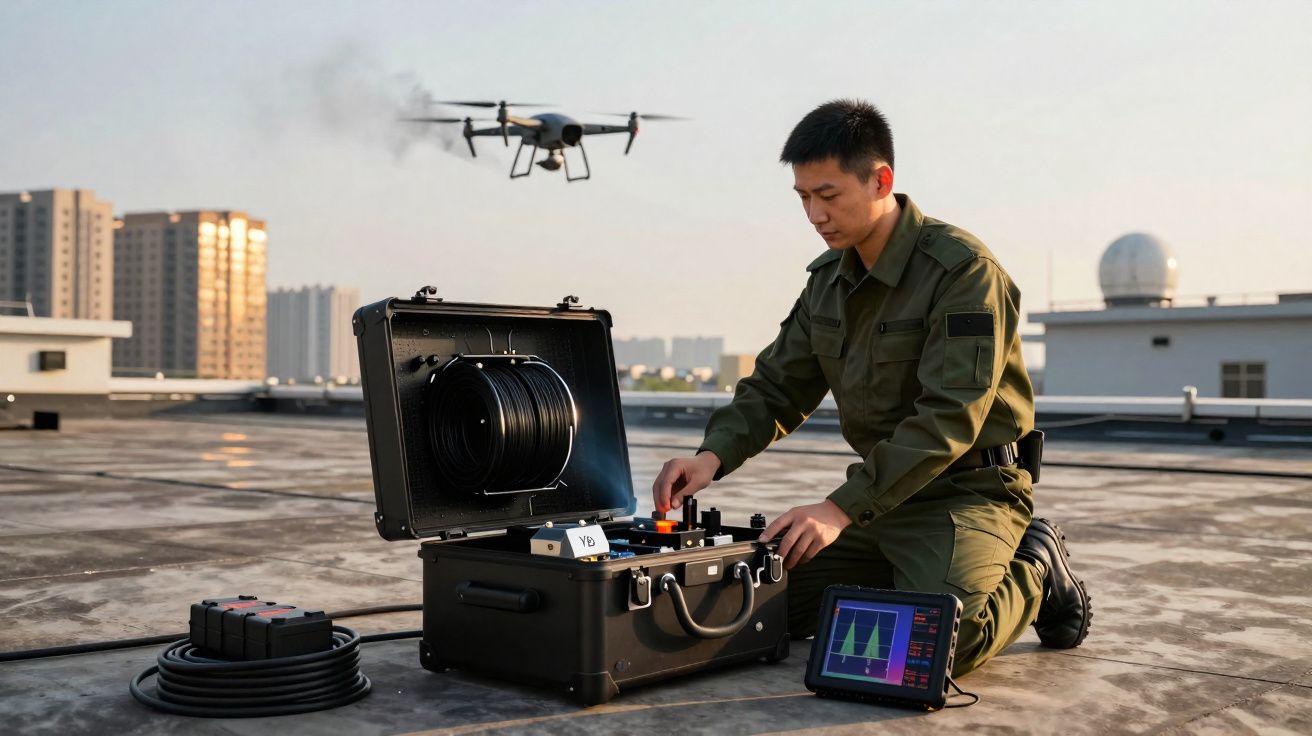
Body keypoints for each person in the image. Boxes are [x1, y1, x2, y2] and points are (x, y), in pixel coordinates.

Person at [651, 99, 1091, 676]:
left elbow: (949, 417)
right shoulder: (828, 282)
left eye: (828, 195)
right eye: (804, 197)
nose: (814, 213)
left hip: (967, 494)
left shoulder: (962, 272)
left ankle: (1035, 561)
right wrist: (711, 456)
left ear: (881, 180)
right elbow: (777, 386)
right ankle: (908, 572)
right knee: (747, 611)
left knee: (937, 644)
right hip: (879, 504)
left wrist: (837, 509)